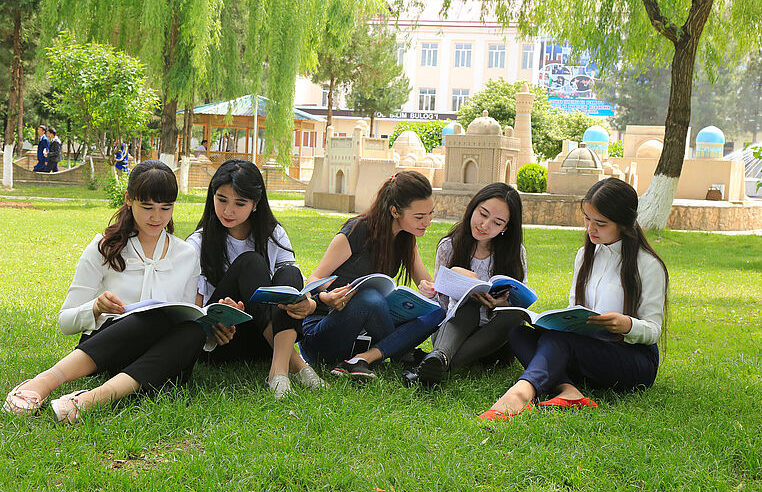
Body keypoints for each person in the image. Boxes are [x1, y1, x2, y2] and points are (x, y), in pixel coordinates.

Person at [3, 161, 204, 424]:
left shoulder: (187, 254)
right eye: (147, 207)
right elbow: (66, 322)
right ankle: (45, 381)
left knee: (193, 330)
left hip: (158, 358)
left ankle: (93, 398)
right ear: (129, 200)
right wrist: (95, 308)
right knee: (150, 317)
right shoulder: (103, 247)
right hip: (109, 349)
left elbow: (186, 314)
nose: (157, 218)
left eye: (165, 208)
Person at [480, 177, 668, 420]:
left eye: (600, 223)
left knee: (560, 343)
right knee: (519, 333)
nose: (590, 229)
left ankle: (520, 394)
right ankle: (568, 390)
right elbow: (574, 310)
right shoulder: (585, 256)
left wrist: (627, 325)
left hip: (632, 359)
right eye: (587, 219)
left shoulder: (648, 265)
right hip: (589, 348)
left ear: (624, 224)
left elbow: (653, 330)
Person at [186, 159, 326, 399]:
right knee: (251, 263)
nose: (228, 211)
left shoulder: (273, 235)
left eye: (239, 203)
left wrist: (309, 304)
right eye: (221, 200)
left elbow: (295, 287)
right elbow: (192, 311)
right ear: (212, 197)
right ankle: (299, 366)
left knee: (289, 273)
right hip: (223, 340)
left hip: (266, 343)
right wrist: (215, 317)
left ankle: (278, 372)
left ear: (255, 204)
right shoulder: (198, 243)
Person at [298, 171, 440, 380]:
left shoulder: (406, 240)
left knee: (436, 312)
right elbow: (314, 279)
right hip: (323, 331)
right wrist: (328, 296)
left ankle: (362, 359)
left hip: (364, 335)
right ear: (395, 211)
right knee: (370, 298)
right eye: (419, 217)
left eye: (431, 213)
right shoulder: (358, 230)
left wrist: (428, 289)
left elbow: (425, 284)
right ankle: (400, 350)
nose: (427, 222)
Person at [411, 183, 528, 385]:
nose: (485, 225)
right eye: (483, 214)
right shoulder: (449, 246)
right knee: (469, 303)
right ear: (473, 207)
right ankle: (440, 358)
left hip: (493, 341)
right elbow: (443, 303)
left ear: (505, 228)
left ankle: (438, 363)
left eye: (497, 222)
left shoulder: (514, 252)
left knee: (514, 318)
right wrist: (431, 291)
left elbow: (521, 300)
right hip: (453, 334)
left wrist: (500, 304)